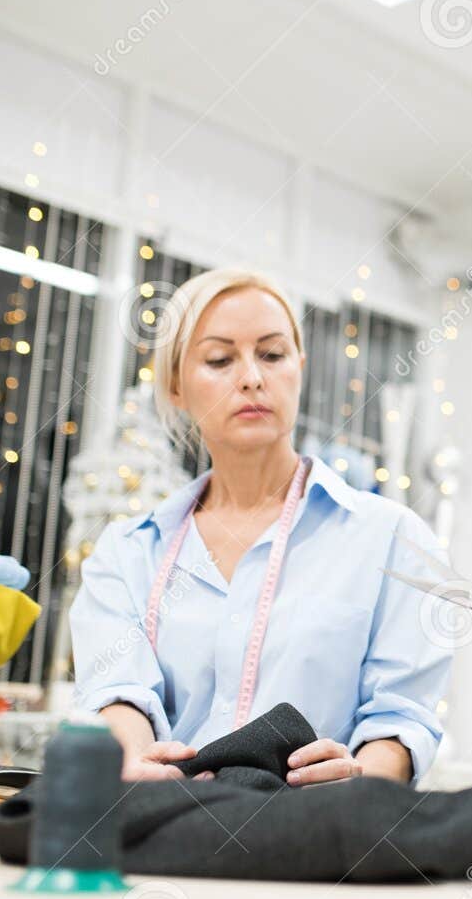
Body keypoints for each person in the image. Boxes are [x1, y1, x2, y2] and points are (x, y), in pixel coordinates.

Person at [70, 268, 449, 785]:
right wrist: (133, 758)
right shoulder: (129, 552)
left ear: (299, 367)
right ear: (176, 386)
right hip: (166, 826)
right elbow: (117, 691)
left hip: (320, 837)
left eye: (272, 354)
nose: (251, 377)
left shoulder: (393, 541)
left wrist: (362, 777)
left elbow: (402, 716)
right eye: (220, 360)